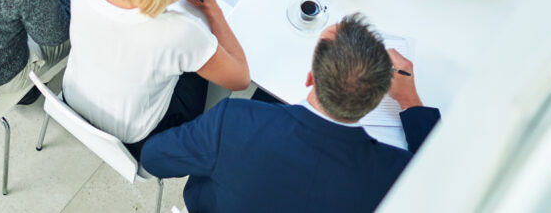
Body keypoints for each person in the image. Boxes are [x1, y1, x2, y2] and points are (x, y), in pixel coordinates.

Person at [141, 13, 441, 213]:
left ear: (310, 77)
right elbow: (444, 182)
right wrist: (411, 101)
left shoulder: (234, 121)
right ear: (376, 100)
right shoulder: (396, 174)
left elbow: (154, 158)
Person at [62, 0, 249, 159]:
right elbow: (240, 79)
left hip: (73, 99)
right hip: (136, 137)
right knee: (203, 66)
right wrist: (214, 10)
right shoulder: (181, 32)